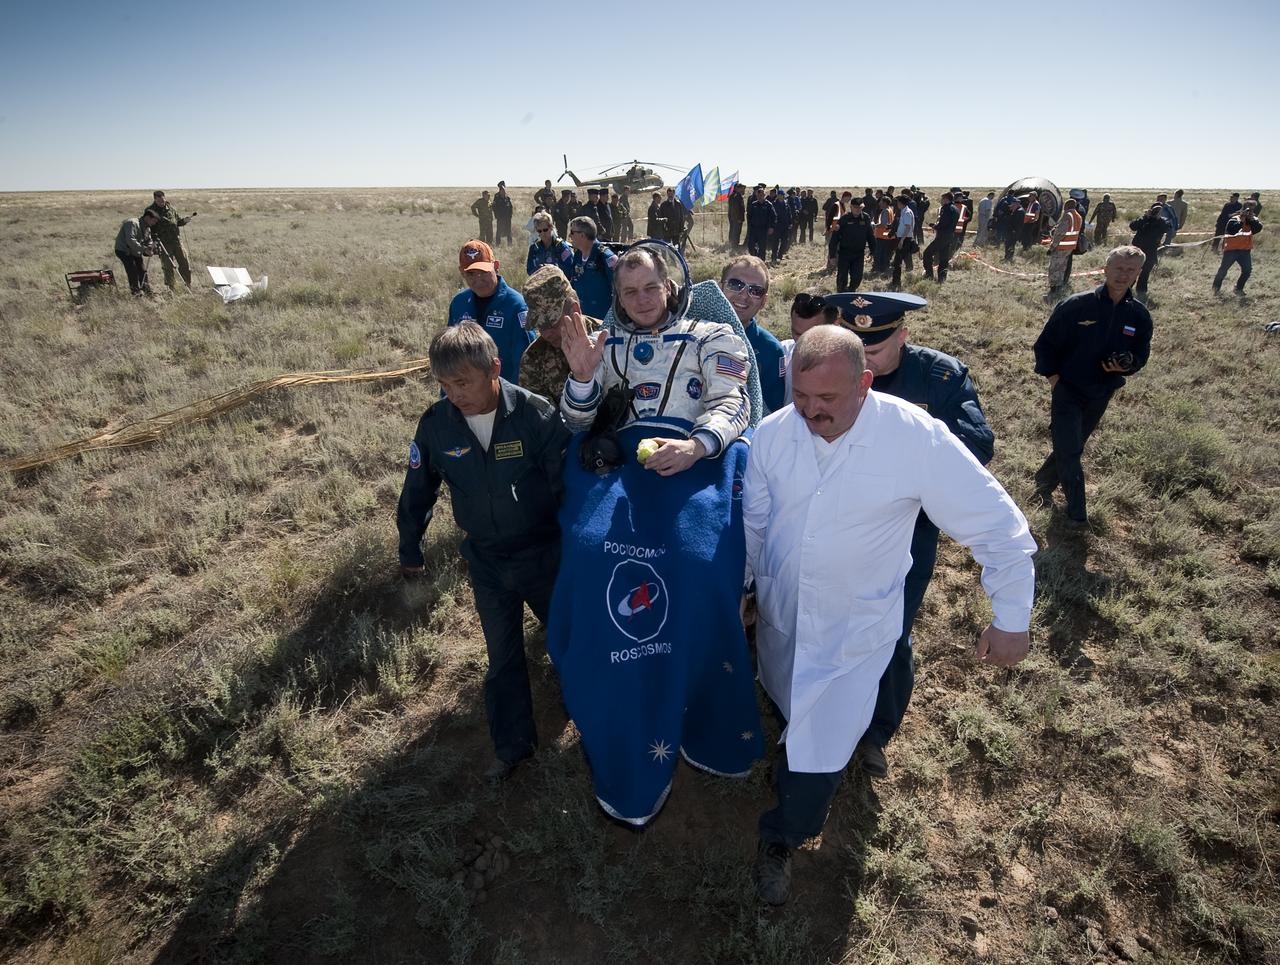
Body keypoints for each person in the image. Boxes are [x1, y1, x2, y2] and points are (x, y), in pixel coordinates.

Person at [744, 321, 1036, 905]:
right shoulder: (774, 434)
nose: (810, 411)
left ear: (865, 383)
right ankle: (798, 759)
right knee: (787, 701)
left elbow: (998, 525)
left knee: (821, 741)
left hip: (855, 628)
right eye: (800, 396)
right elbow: (754, 521)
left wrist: (1011, 619)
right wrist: (747, 586)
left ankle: (785, 834)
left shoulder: (914, 439)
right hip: (785, 612)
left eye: (826, 399)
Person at [550, 241, 763, 825]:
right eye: (628, 291)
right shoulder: (605, 343)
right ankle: (612, 677)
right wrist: (584, 378)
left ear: (671, 287)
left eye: (650, 288)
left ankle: (694, 685)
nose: (641, 300)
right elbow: (578, 421)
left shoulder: (713, 336)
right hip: (625, 463)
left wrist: (695, 446)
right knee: (594, 551)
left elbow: (734, 402)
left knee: (694, 562)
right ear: (616, 296)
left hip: (697, 459)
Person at [397, 322, 571, 782]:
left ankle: (591, 722)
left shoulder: (535, 415)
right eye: (445, 385)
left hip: (544, 556)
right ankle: (513, 747)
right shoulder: (437, 425)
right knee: (503, 658)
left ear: (494, 368)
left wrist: (579, 549)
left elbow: (567, 489)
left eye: (463, 383)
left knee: (570, 643)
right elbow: (418, 488)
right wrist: (409, 543)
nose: (454, 395)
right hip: (488, 562)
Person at [843, 293, 996, 780]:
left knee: (892, 626)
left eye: (877, 346)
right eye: (856, 345)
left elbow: (976, 446)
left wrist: (899, 464)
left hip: (909, 529)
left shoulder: (939, 377)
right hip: (840, 522)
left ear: (903, 336)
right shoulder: (833, 366)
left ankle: (876, 733)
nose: (864, 357)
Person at [1032, 246, 1153, 527]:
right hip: (1068, 388)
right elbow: (1045, 345)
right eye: (1119, 268)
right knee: (1071, 450)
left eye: (1130, 270)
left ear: (1138, 274)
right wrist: (1053, 379)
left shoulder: (1139, 316)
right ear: (1105, 269)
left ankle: (1042, 480)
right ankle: (1077, 515)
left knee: (1072, 445)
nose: (1123, 275)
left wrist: (1127, 364)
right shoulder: (1076, 305)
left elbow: (1141, 355)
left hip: (1101, 392)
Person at [447, 240, 534, 384]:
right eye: (471, 274)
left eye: (483, 272)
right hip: (467, 393)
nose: (478, 279)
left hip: (503, 394)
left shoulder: (516, 306)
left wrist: (512, 399)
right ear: (462, 273)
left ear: (496, 266)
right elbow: (450, 354)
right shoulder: (459, 303)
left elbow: (525, 361)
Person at [517, 265, 598, 403]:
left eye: (551, 324)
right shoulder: (534, 359)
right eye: (540, 326)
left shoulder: (608, 338)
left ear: (575, 310)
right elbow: (537, 418)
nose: (546, 334)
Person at [721, 255, 786, 415]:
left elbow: (771, 413)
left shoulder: (770, 350)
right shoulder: (689, 332)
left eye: (755, 291)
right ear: (719, 287)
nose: (743, 295)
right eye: (735, 284)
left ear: (764, 301)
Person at [566, 216, 618, 320]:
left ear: (582, 235)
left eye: (572, 232)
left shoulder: (605, 257)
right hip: (583, 317)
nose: (569, 236)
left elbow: (620, 289)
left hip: (603, 319)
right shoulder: (577, 256)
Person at [144, 190, 194, 289]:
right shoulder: (150, 210)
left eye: (163, 200)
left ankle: (187, 284)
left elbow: (177, 222)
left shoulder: (171, 208)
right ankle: (171, 288)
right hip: (163, 243)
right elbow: (147, 225)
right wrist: (152, 241)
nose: (162, 202)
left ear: (165, 197)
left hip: (176, 241)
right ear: (155, 199)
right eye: (159, 201)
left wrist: (184, 221)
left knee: (184, 263)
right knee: (168, 266)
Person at [1212, 201, 1263, 295]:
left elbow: (1258, 229)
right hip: (1231, 249)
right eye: (1248, 209)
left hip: (1245, 250)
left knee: (1247, 270)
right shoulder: (1234, 219)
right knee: (1223, 270)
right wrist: (1241, 220)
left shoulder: (1253, 220)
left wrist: (1251, 220)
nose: (1249, 212)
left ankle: (1238, 288)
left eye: (1251, 210)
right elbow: (1232, 230)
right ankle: (1216, 289)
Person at [828, 198, 875, 293]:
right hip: (845, 253)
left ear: (862, 207)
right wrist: (832, 255)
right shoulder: (844, 219)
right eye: (855, 207)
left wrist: (873, 252)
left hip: (859, 254)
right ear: (851, 207)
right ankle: (841, 294)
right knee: (842, 277)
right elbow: (834, 238)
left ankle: (851, 291)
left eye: (860, 207)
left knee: (857, 277)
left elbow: (870, 236)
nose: (857, 209)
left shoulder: (865, 218)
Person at [114, 209, 161, 295]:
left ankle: (146, 290)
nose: (154, 223)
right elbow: (130, 240)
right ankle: (136, 292)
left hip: (135, 251)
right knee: (132, 270)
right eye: (153, 221)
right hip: (124, 250)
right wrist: (144, 249)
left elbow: (148, 240)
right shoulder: (132, 223)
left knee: (142, 270)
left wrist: (151, 248)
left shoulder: (147, 228)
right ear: (147, 217)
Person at [1128, 204, 1169, 299]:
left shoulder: (1161, 222)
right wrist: (1146, 217)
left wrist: (1158, 219)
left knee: (1145, 272)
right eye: (1155, 210)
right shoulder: (1144, 220)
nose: (1156, 213)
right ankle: (1127, 289)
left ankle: (1141, 291)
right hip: (1137, 250)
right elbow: (1133, 226)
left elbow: (1167, 228)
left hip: (1151, 251)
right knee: (1132, 271)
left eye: (1158, 211)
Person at [1048, 198, 1083, 296]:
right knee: (1062, 267)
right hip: (1070, 247)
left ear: (1067, 206)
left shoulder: (1067, 215)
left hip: (1061, 246)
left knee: (1055, 267)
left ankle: (1054, 288)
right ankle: (1059, 286)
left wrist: (1052, 247)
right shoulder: (1078, 216)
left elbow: (1060, 233)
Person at [923, 192, 959, 283]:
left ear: (946, 199)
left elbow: (943, 223)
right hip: (950, 236)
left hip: (942, 236)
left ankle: (929, 275)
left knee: (927, 254)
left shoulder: (946, 208)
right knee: (944, 258)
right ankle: (942, 278)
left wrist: (935, 226)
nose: (941, 201)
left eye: (942, 199)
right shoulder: (955, 208)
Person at [526, 211, 574, 276]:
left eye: (545, 230)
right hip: (540, 282)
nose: (543, 233)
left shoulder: (561, 247)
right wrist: (540, 270)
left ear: (551, 227)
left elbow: (569, 269)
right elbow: (530, 269)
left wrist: (552, 270)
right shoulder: (534, 248)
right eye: (539, 231)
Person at [890, 196, 917, 289]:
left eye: (898, 202)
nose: (897, 204)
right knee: (905, 258)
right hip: (902, 238)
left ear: (901, 203)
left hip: (904, 239)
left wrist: (902, 240)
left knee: (898, 261)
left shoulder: (907, 212)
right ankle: (908, 278)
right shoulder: (903, 211)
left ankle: (896, 282)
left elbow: (908, 227)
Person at [746, 185, 776, 260]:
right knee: (751, 246)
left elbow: (774, 217)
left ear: (764, 195)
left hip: (763, 229)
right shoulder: (753, 204)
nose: (760, 196)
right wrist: (749, 227)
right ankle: (755, 257)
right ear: (757, 195)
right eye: (759, 195)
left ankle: (761, 262)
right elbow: (749, 216)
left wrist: (771, 227)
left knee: (762, 248)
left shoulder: (768, 205)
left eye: (762, 195)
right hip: (754, 229)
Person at [770, 189, 793, 262]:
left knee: (784, 242)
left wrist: (790, 223)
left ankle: (780, 256)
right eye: (779, 195)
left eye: (782, 195)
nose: (780, 196)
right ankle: (774, 256)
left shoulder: (786, 204)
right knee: (775, 242)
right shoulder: (773, 204)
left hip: (785, 226)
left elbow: (789, 215)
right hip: (777, 226)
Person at [492, 182, 514, 247]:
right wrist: (496, 215)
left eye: (504, 190)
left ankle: (510, 244)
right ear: (500, 190)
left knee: (508, 231)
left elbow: (510, 207)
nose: (503, 191)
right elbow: (494, 207)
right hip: (500, 217)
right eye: (502, 190)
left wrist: (510, 215)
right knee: (499, 231)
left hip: (507, 217)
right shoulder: (497, 197)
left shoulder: (507, 197)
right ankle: (497, 244)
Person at [727, 182, 747, 250]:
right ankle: (734, 245)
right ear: (737, 188)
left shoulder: (735, 195)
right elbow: (736, 209)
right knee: (736, 232)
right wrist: (738, 218)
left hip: (735, 218)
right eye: (741, 188)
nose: (743, 190)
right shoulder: (736, 196)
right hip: (737, 218)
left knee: (735, 231)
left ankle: (733, 244)